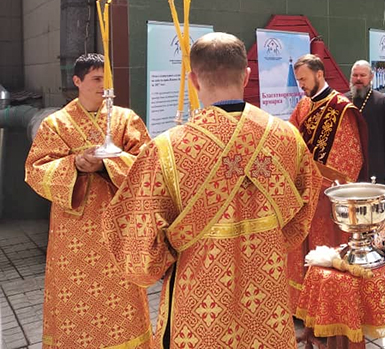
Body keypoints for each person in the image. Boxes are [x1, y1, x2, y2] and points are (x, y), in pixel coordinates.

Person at [104, 33, 321, 347]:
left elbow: (135, 244)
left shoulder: (166, 149)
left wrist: (168, 252)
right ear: (246, 76)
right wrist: (270, 239)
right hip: (268, 297)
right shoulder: (288, 138)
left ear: (193, 80)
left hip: (199, 302)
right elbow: (302, 213)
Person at [25, 53, 152, 349]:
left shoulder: (125, 119)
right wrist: (76, 165)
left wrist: (108, 164)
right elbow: (35, 169)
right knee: (73, 295)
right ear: (77, 81)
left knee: (123, 293)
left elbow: (147, 164)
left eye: (107, 79)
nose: (103, 86)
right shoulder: (56, 124)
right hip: (74, 232)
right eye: (96, 79)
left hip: (117, 224)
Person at [288, 53, 368, 308]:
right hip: (303, 192)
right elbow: (291, 141)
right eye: (298, 80)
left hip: (326, 197)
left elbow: (349, 159)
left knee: (326, 249)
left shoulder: (341, 108)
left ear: (319, 74)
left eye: (304, 79)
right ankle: (302, 304)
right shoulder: (303, 106)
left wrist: (315, 181)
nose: (301, 85)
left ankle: (328, 306)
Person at [345, 60, 385, 207]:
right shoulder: (344, 101)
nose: (358, 79)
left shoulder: (382, 102)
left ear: (371, 77)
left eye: (362, 75)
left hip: (376, 167)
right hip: (350, 168)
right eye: (355, 75)